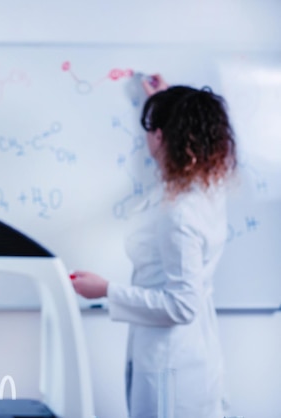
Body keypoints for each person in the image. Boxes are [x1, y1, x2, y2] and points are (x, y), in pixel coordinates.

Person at [71, 75, 237, 417]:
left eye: (151, 131)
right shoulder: (209, 187)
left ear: (160, 137)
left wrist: (106, 290)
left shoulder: (180, 214)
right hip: (190, 355)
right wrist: (163, 100)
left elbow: (181, 306)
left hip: (170, 364)